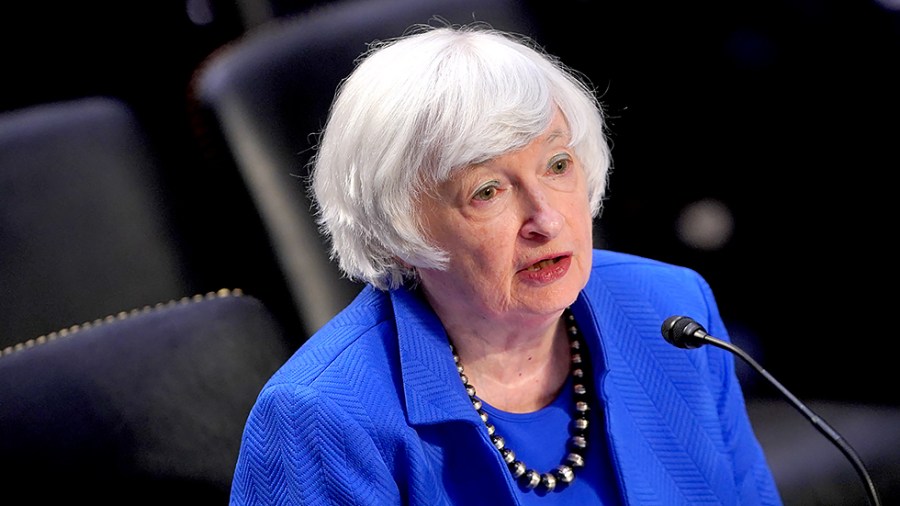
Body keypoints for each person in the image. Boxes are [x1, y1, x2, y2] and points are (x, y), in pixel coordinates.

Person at [229, 22, 783, 505]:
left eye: (558, 164)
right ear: (399, 229)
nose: (546, 218)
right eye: (488, 191)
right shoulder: (323, 418)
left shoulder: (671, 312)